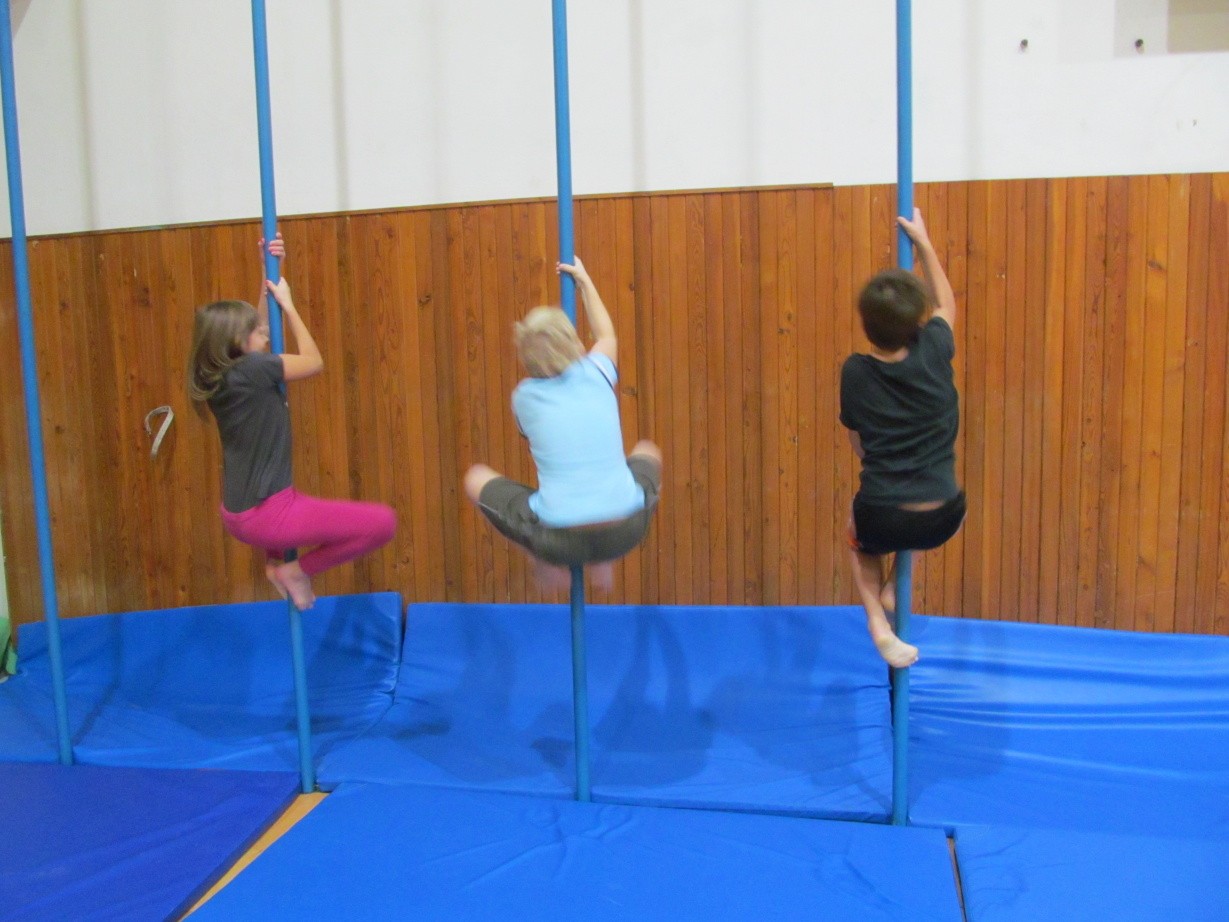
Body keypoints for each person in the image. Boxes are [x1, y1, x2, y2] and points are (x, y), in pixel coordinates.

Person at [187, 235, 396, 611]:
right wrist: (289, 306)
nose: (264, 333)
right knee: (382, 523)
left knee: (306, 514)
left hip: (239, 512)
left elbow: (258, 330)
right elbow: (314, 362)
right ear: (238, 341)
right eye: (256, 332)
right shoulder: (252, 369)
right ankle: (295, 571)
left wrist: (267, 272)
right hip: (269, 513)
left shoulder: (217, 374)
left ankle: (275, 565)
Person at [464, 256, 662, 592]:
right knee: (646, 451)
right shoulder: (598, 371)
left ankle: (542, 560)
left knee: (475, 478)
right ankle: (602, 562)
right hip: (626, 529)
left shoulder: (524, 397)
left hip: (557, 540)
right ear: (575, 344)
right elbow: (606, 333)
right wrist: (584, 281)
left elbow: (529, 435)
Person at [840, 208, 965, 668]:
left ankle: (878, 622)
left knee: (857, 531)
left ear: (866, 324)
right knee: (914, 503)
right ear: (917, 319)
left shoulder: (856, 372)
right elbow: (946, 304)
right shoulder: (935, 347)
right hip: (944, 514)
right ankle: (895, 585)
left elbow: (858, 443)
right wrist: (924, 243)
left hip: (884, 517)